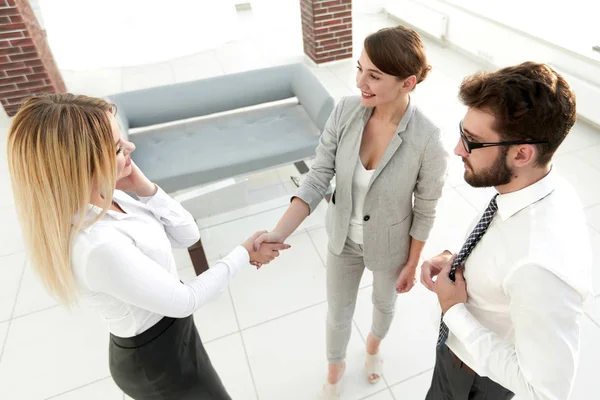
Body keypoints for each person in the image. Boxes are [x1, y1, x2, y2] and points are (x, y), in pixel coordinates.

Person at [6, 94, 290, 400]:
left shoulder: (110, 198)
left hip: (174, 338)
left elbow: (187, 234)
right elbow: (186, 300)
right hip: (157, 363)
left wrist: (146, 188)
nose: (131, 149)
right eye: (117, 148)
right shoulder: (97, 247)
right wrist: (244, 253)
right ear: (78, 167)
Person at [253, 25, 449, 398]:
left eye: (374, 75)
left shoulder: (427, 139)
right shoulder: (345, 111)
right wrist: (278, 234)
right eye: (360, 69)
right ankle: (336, 365)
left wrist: (412, 262)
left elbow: (425, 208)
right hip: (342, 237)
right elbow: (317, 178)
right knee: (337, 312)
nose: (361, 81)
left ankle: (373, 347)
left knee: (383, 304)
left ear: (407, 83)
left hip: (390, 246)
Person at [422, 62, 593, 399]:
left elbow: (545, 390)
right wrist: (459, 260)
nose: (458, 149)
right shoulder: (540, 187)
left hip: (474, 378)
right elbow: (503, 248)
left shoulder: (538, 266)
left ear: (521, 154)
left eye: (471, 142)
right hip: (457, 352)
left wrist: (453, 310)